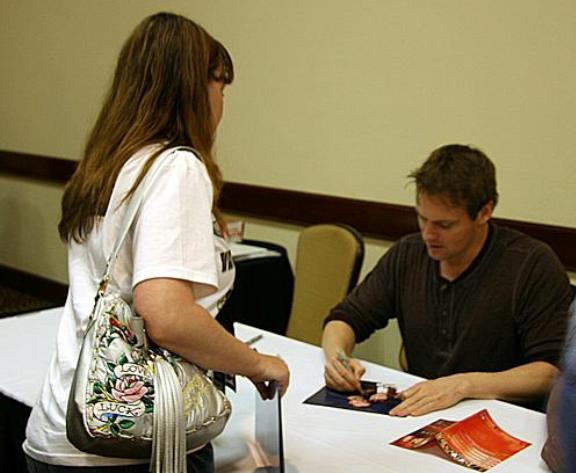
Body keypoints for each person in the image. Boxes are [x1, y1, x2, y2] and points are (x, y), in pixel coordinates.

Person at [23, 12, 289, 472]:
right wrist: (256, 363)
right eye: (221, 87)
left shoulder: (111, 165)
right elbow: (167, 316)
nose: (222, 103)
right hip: (132, 443)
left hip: (67, 421)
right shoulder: (176, 168)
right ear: (194, 87)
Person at [322, 144, 571, 417]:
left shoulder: (531, 264)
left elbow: (550, 372)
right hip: (421, 414)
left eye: (444, 225)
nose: (428, 234)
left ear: (484, 212)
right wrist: (338, 358)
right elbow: (346, 317)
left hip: (502, 418)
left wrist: (464, 384)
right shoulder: (409, 252)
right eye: (422, 218)